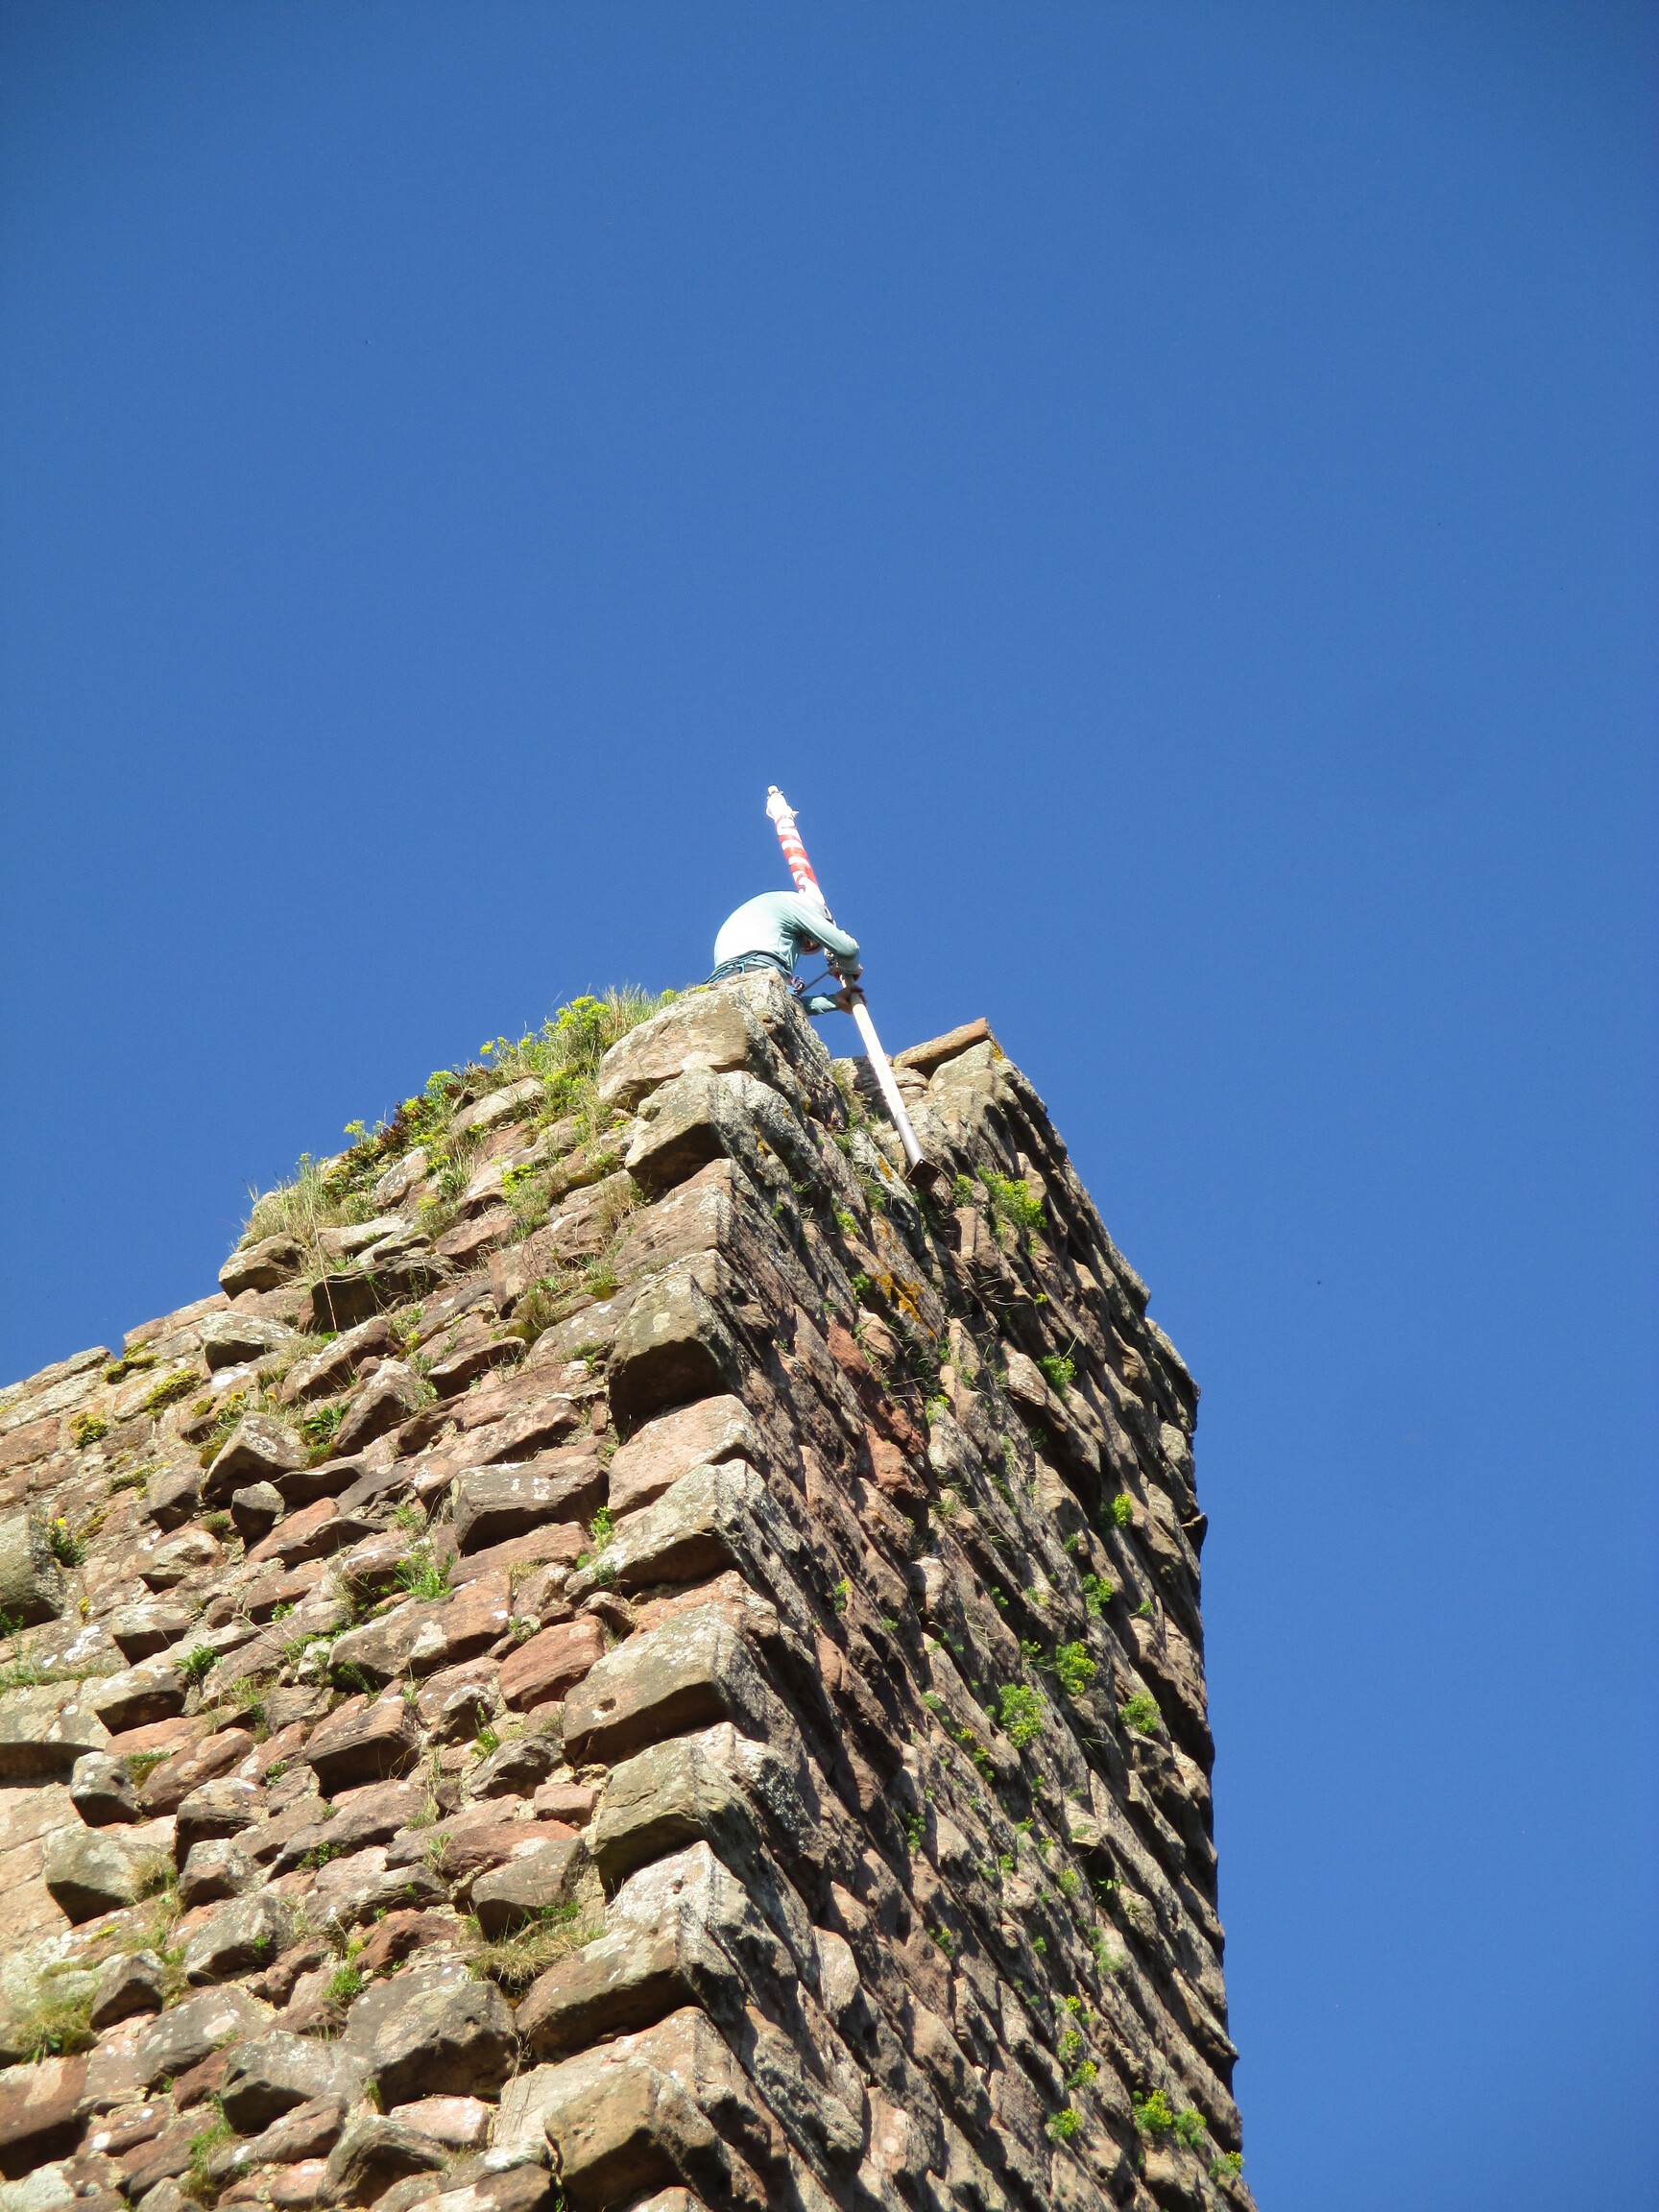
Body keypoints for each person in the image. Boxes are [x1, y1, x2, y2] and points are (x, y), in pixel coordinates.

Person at [709, 890, 862, 1015]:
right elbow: (848, 950)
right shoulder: (793, 903)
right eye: (808, 941)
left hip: (718, 987)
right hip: (759, 972)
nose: (806, 945)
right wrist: (848, 967)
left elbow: (778, 1004)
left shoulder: (763, 909)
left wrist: (834, 1001)